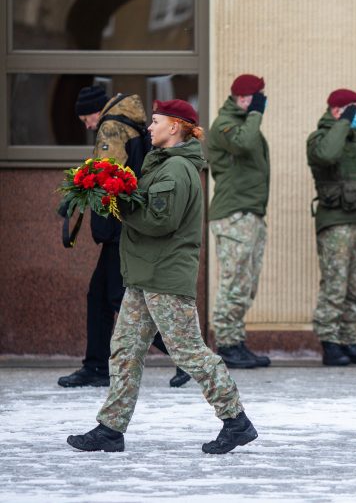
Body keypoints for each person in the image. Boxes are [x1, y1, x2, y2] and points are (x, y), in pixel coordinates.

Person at [67, 100, 257, 454]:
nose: (149, 128)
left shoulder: (178, 170)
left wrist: (118, 203)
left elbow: (160, 221)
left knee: (189, 353)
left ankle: (236, 421)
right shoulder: (162, 164)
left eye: (156, 122)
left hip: (165, 276)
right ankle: (110, 429)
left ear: (176, 126)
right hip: (145, 274)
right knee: (124, 351)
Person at [58, 84, 189, 389]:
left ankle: (185, 357)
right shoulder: (128, 120)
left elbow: (105, 171)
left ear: (93, 112)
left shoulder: (112, 126)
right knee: (99, 296)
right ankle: (95, 367)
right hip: (126, 223)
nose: (87, 125)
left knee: (117, 296)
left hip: (119, 224)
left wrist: (77, 193)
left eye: (85, 119)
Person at [306, 89, 356, 366]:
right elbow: (327, 156)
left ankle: (349, 340)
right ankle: (330, 343)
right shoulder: (319, 139)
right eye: (353, 109)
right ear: (337, 111)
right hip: (336, 223)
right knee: (335, 285)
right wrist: (342, 123)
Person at [206, 74, 271, 369]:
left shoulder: (243, 122)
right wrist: (256, 112)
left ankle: (236, 339)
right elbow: (244, 144)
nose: (261, 102)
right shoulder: (224, 124)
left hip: (250, 213)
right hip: (233, 215)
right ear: (244, 98)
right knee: (233, 281)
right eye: (257, 97)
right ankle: (226, 343)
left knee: (247, 282)